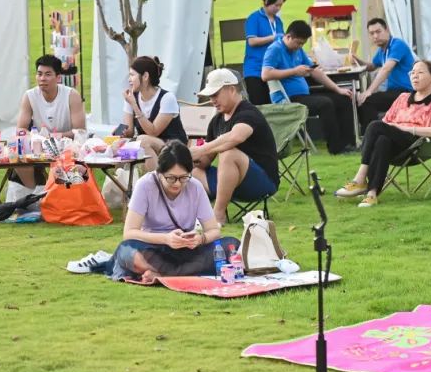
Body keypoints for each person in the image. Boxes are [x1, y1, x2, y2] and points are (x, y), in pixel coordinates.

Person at [66, 142, 238, 280]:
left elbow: (214, 230)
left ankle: (162, 274)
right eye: (171, 178)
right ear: (159, 173)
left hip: (186, 250)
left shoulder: (195, 187)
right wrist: (166, 239)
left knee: (231, 245)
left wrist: (200, 239)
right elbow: (129, 233)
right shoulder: (146, 185)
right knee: (127, 251)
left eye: (183, 177)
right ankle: (173, 273)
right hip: (152, 249)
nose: (178, 183)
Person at [335, 60, 431, 208]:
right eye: (412, 73)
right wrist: (394, 128)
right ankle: (371, 194)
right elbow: (385, 125)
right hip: (395, 146)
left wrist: (409, 129)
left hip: (417, 145)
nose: (415, 76)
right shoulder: (402, 98)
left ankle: (360, 179)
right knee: (382, 140)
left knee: (375, 125)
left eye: (420, 72)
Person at [190, 69, 279, 224]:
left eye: (215, 94)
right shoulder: (216, 121)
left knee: (228, 153)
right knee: (189, 171)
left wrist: (202, 149)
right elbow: (206, 161)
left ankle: (218, 214)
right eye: (210, 96)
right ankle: (186, 213)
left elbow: (236, 137)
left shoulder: (249, 113)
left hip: (262, 182)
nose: (212, 100)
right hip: (229, 182)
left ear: (231, 90)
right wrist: (189, 156)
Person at [262, 20, 356, 155]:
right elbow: (265, 74)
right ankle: (336, 148)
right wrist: (294, 71)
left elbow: (315, 71)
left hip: (305, 95)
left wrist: (337, 89)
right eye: (298, 43)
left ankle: (348, 143)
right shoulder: (275, 49)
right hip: (289, 99)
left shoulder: (298, 50)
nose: (300, 46)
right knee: (325, 104)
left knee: (343, 98)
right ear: (288, 36)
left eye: (303, 44)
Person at [14, 54, 86, 189]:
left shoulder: (72, 95)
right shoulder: (29, 96)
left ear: (58, 77)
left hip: (67, 147)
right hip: (40, 147)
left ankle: (57, 193)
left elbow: (80, 131)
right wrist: (35, 137)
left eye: (48, 74)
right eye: (39, 74)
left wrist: (58, 136)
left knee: (72, 168)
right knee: (19, 159)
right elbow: (20, 129)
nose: (42, 78)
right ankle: (35, 193)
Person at [119, 56, 187, 172]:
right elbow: (129, 131)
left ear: (145, 76)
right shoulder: (132, 97)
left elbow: (153, 132)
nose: (129, 79)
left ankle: (158, 181)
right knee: (118, 147)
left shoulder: (167, 98)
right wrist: (122, 132)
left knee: (143, 141)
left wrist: (134, 106)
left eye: (132, 75)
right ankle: (123, 182)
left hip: (173, 149)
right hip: (145, 146)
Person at [355, 18, 416, 131]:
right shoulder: (382, 50)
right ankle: (370, 133)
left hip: (407, 92)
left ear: (387, 30)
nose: (375, 36)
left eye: (378, 32)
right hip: (394, 92)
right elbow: (371, 66)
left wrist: (369, 91)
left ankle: (371, 134)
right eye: (372, 33)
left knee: (367, 101)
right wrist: (356, 59)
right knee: (359, 101)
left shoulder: (397, 45)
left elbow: (386, 69)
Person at [243, 0, 287, 105]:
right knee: (260, 105)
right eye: (276, 5)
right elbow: (252, 41)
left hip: (273, 70)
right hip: (255, 70)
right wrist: (273, 37)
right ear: (266, 1)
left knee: (275, 104)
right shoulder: (254, 18)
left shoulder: (278, 21)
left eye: (280, 6)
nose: (278, 8)